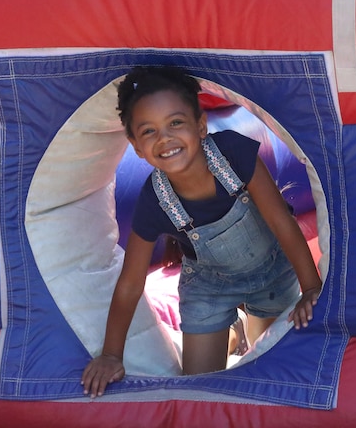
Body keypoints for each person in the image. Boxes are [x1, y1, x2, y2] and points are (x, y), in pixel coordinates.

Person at [81, 66, 322, 398]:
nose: (164, 138)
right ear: (136, 147)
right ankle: (231, 329)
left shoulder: (233, 153)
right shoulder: (154, 199)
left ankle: (241, 330)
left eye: (175, 123)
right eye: (148, 131)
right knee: (199, 389)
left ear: (200, 125)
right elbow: (131, 282)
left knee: (264, 366)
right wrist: (110, 354)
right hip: (210, 286)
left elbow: (281, 222)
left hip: (270, 272)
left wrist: (311, 287)